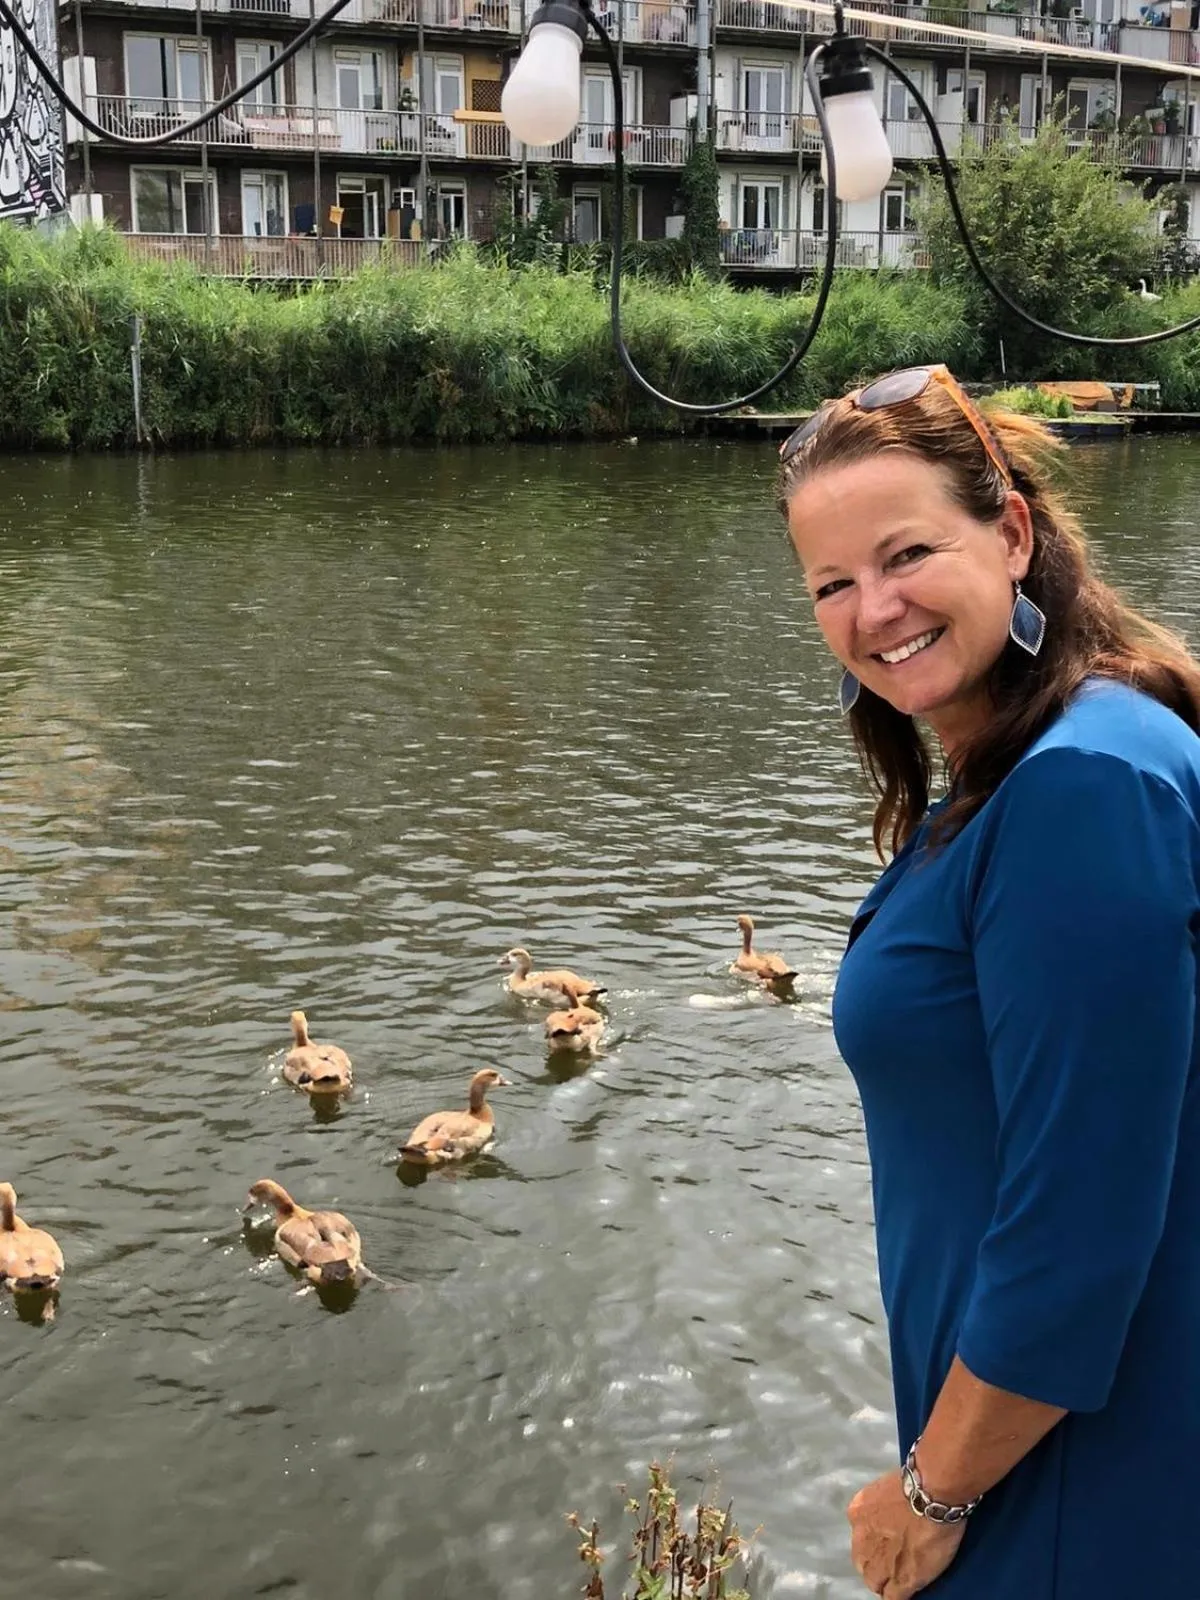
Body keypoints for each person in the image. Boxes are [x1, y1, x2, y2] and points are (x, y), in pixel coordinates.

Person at [776, 365, 1200, 1600]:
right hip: (1035, 1445)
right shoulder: (1036, 757)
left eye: (907, 553)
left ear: (1011, 531)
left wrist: (931, 1494)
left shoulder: (1082, 787)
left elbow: (1076, 1229)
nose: (875, 609)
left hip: (1077, 1481)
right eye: (832, 584)